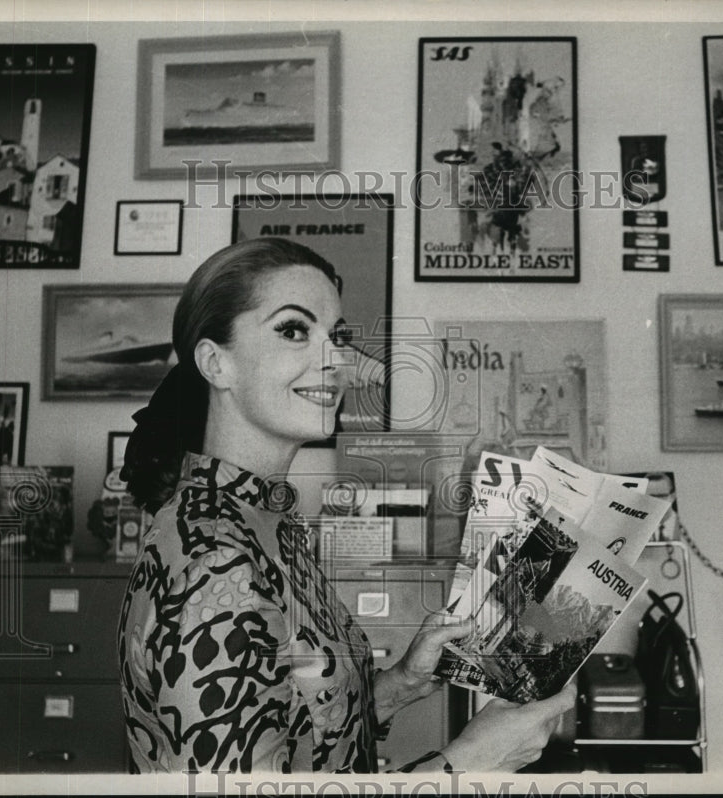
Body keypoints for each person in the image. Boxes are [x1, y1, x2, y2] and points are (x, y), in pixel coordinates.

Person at [118, 238, 576, 774]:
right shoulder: (216, 559)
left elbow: (298, 734)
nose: (336, 359)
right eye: (294, 330)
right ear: (215, 363)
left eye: (337, 336)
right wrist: (472, 762)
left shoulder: (257, 520)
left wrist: (402, 683)